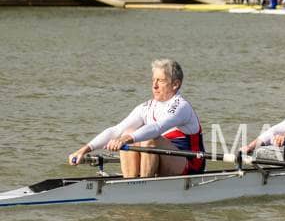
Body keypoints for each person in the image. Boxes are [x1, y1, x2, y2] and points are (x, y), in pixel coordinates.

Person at [68, 59, 205, 178]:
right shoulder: (146, 107)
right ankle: (131, 183)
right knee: (126, 132)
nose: (154, 85)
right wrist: (83, 150)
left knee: (147, 139)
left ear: (175, 84)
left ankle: (143, 186)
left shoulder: (181, 106)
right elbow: (116, 130)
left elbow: (157, 128)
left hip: (190, 166)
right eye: (153, 80)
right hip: (165, 160)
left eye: (160, 81)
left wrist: (125, 139)